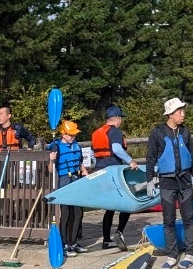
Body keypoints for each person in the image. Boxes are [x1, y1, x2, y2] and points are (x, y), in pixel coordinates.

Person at [146, 97, 193, 269]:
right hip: (167, 183)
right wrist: (149, 180)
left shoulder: (185, 132)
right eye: (179, 111)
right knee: (168, 220)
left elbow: (192, 155)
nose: (183, 114)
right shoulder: (158, 133)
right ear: (170, 114)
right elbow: (150, 158)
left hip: (185, 181)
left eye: (183, 111)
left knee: (188, 218)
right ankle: (171, 255)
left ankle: (190, 253)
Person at [91, 105, 136, 250]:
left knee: (109, 207)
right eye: (121, 118)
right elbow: (116, 149)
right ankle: (119, 232)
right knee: (128, 202)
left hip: (100, 171)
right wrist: (130, 161)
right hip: (113, 171)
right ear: (117, 119)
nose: (121, 121)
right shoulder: (115, 132)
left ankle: (106, 240)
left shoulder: (97, 133)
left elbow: (94, 154)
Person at [47, 119, 89, 254]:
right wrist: (51, 160)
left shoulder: (77, 146)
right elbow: (51, 170)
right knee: (65, 214)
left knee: (78, 214)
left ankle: (73, 242)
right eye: (70, 135)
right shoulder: (57, 147)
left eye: (74, 135)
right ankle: (64, 244)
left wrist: (84, 170)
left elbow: (80, 161)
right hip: (64, 182)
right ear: (63, 134)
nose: (73, 137)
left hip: (77, 181)